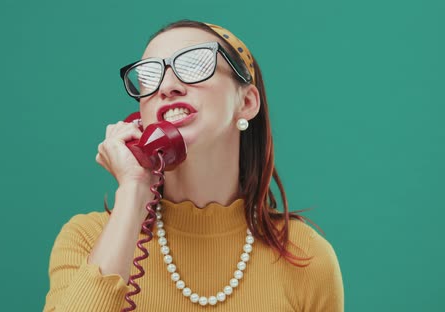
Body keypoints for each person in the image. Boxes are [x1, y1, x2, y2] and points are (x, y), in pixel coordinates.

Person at [43, 19, 344, 312]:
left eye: (194, 65)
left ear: (248, 103)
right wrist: (133, 194)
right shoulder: (88, 238)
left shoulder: (305, 255)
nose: (167, 87)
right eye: (149, 76)